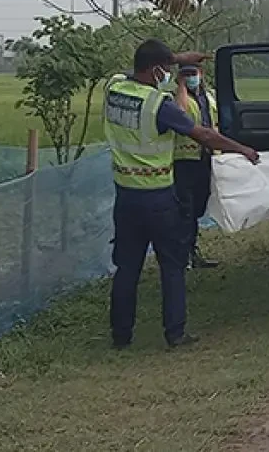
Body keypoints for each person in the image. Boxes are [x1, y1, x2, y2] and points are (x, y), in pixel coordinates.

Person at [105, 40, 259, 349]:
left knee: (127, 268)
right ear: (156, 70)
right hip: (159, 199)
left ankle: (121, 335)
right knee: (172, 266)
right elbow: (203, 134)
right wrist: (242, 149)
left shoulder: (114, 89)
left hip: (126, 196)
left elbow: (135, 68)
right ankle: (175, 333)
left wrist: (174, 58)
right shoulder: (158, 105)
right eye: (165, 68)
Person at [173, 64, 220, 269]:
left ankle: (191, 252)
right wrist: (181, 86)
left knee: (197, 208)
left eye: (194, 73)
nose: (191, 77)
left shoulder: (207, 97)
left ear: (201, 74)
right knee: (185, 211)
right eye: (186, 74)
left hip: (205, 158)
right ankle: (184, 256)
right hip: (184, 161)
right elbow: (180, 112)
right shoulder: (174, 97)